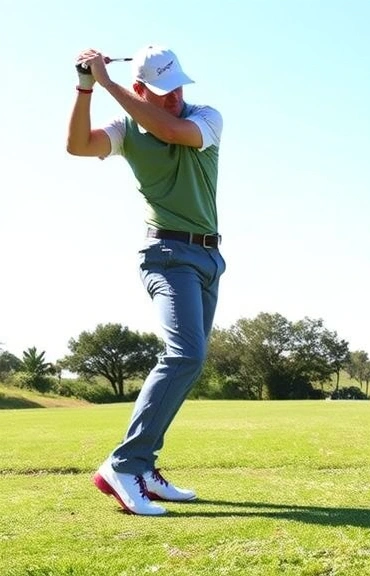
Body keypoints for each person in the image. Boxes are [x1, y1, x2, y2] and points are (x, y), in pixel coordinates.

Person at [66, 45, 225, 516]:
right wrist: (87, 88)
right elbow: (79, 145)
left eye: (177, 87)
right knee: (184, 354)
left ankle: (144, 466)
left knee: (190, 363)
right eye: (162, 91)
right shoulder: (127, 127)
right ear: (140, 89)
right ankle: (125, 464)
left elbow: (172, 131)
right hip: (167, 255)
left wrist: (108, 83)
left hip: (209, 258)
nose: (175, 97)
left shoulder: (206, 117)